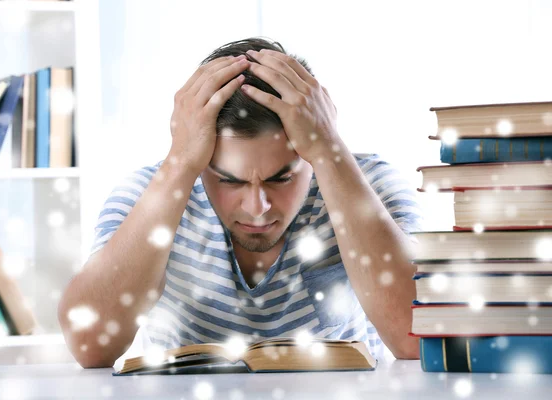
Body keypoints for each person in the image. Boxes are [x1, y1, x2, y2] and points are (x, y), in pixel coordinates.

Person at [58, 38, 423, 369]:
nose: (257, 207)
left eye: (281, 177)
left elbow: (417, 338)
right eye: (229, 180)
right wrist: (179, 164)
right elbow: (89, 345)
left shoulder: (370, 184)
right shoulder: (148, 192)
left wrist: (330, 150)